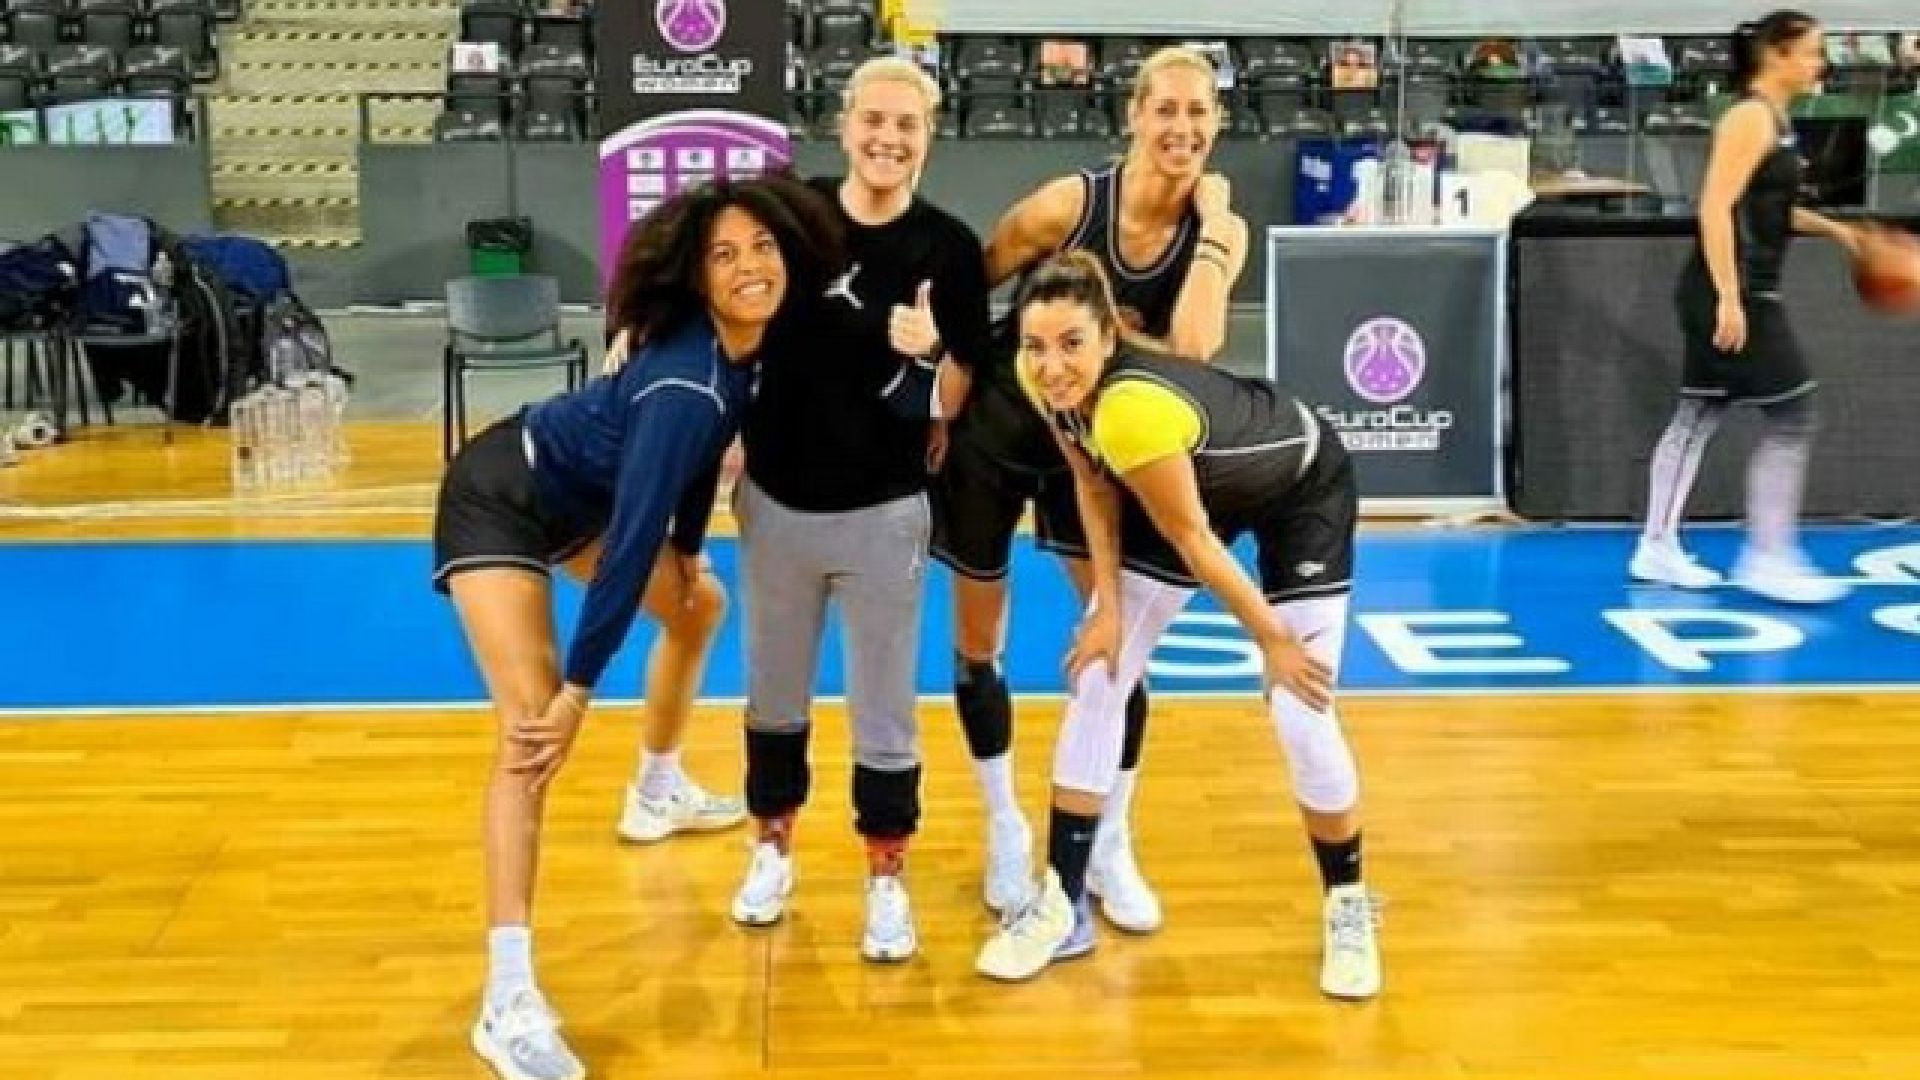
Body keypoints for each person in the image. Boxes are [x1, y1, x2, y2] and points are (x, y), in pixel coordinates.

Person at [432, 174, 842, 1080]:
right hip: (501, 495)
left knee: (700, 603)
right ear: (698, 278)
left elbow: (699, 464)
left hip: (579, 497)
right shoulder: (684, 384)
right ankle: (507, 999)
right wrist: (579, 693)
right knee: (531, 734)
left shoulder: (746, 351)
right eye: (723, 256)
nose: (748, 266)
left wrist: (688, 549)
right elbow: (626, 546)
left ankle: (656, 791)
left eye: (761, 247)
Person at [971, 253, 1381, 999]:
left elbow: (1195, 540)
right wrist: (1108, 611)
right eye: (1036, 345)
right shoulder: (1042, 379)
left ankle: (1347, 904)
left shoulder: (1132, 410)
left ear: (1108, 337)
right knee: (1101, 672)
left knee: (1301, 709)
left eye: (1071, 344)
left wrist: (1274, 641)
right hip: (1187, 482)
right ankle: (1060, 904)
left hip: (1299, 485)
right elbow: (1093, 483)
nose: (1052, 364)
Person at [932, 44, 1251, 938]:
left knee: (1117, 648)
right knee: (979, 643)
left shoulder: (1219, 229)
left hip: (1101, 448)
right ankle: (1004, 825)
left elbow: (1195, 350)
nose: (1182, 127)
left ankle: (1110, 841)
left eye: (1199, 112)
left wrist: (1213, 220)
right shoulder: (1070, 207)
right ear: (1134, 116)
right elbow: (969, 289)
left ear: (1218, 124)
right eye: (1166, 109)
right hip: (998, 433)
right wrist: (945, 383)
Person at [728, 56, 992, 962]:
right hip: (776, 502)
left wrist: (934, 351)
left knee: (885, 708)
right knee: (773, 694)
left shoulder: (950, 250)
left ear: (929, 137)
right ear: (844, 126)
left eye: (906, 125)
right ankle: (771, 850)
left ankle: (886, 878)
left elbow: (957, 396)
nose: (887, 139)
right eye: (873, 121)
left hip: (885, 512)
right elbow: (723, 300)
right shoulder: (789, 215)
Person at [1630, 10, 1866, 605]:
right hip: (1734, 292)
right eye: (1811, 51)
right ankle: (1768, 556)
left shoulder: (1777, 120)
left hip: (1737, 290)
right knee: (1794, 416)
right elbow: (1715, 207)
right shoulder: (1748, 118)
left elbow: (1768, 209)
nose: (1820, 63)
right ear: (1776, 55)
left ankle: (1656, 545)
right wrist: (1730, 298)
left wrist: (1839, 232)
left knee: (1697, 416)